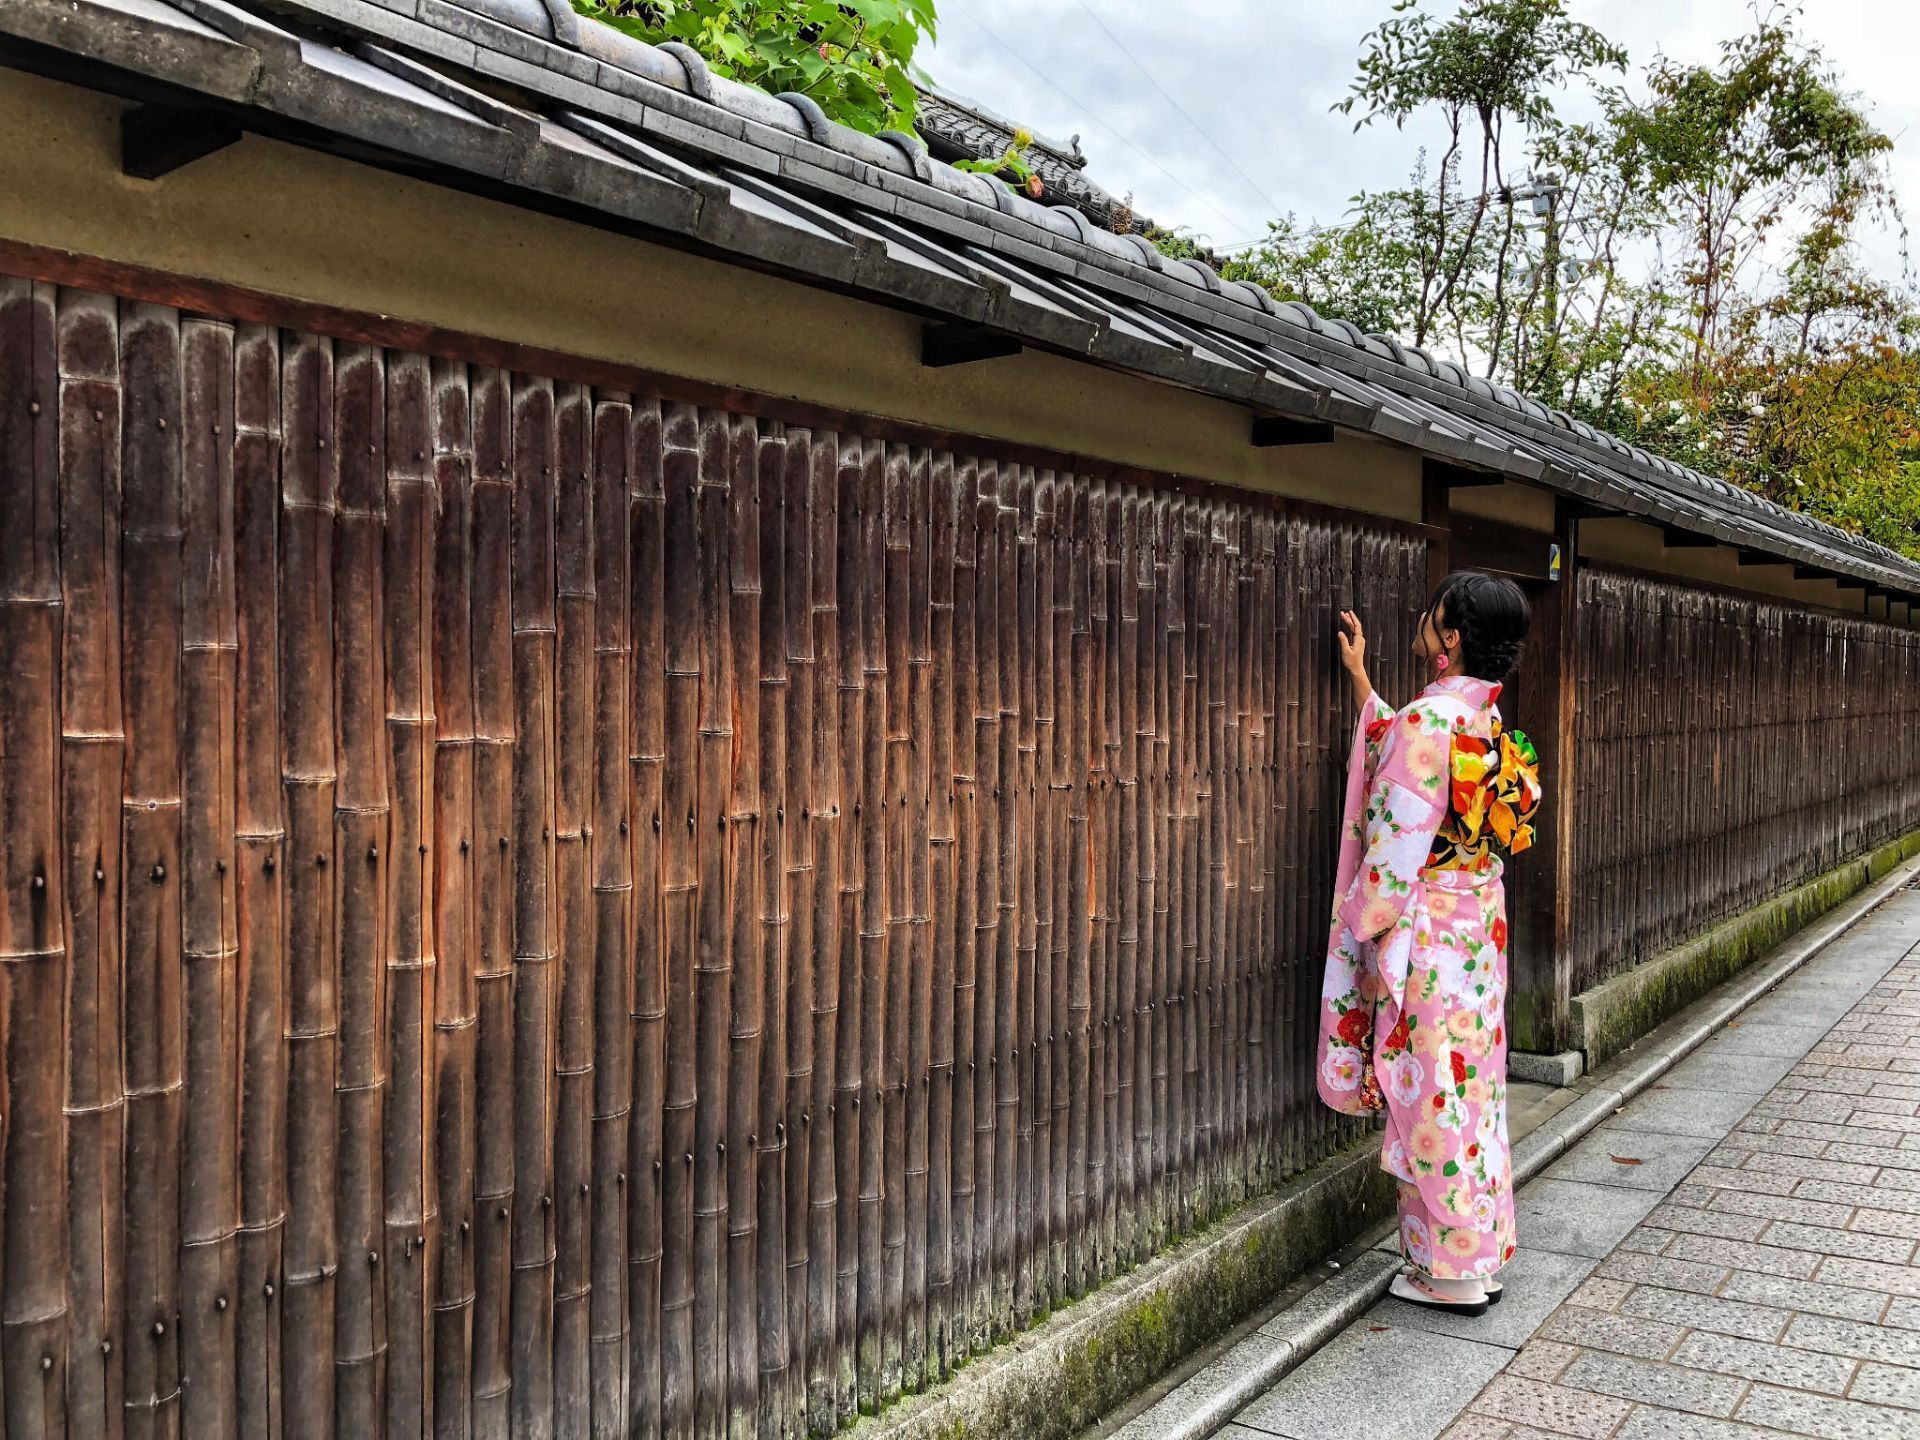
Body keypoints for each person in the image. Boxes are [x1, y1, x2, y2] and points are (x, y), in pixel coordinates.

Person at [1315, 571, 1541, 1315]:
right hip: (1477, 926)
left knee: (1428, 1097)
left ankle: (1444, 1273)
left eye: (1434, 614)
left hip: (1429, 939)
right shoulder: (1482, 721)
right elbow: (1400, 744)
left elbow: (1393, 850)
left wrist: (1362, 927)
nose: (1422, 617)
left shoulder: (1425, 723)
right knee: (1472, 1094)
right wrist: (1361, 681)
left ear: (1449, 637)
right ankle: (1480, 1255)